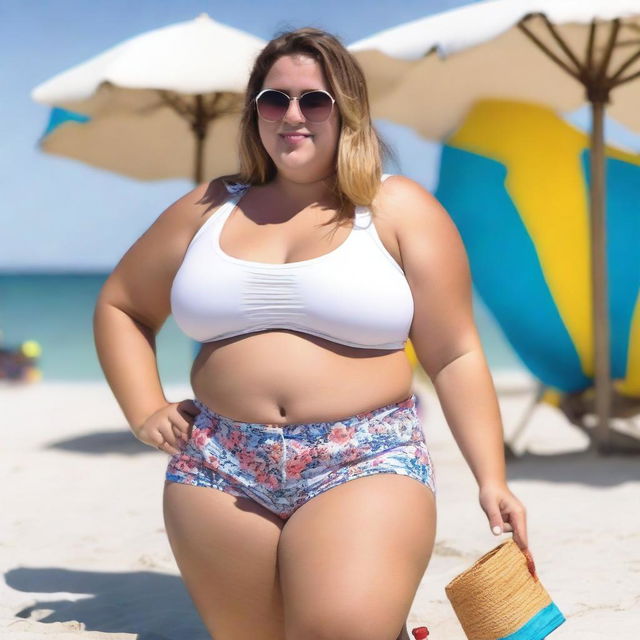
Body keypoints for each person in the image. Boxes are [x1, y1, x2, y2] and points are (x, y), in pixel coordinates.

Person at [93, 26, 529, 640]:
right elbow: (121, 306)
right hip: (220, 463)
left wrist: (492, 478)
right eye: (274, 100)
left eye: (313, 100)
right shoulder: (210, 207)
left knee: (340, 630)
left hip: (364, 455)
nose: (291, 115)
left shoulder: (397, 209)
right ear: (255, 113)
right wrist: (144, 410)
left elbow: (454, 353)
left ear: (346, 111)